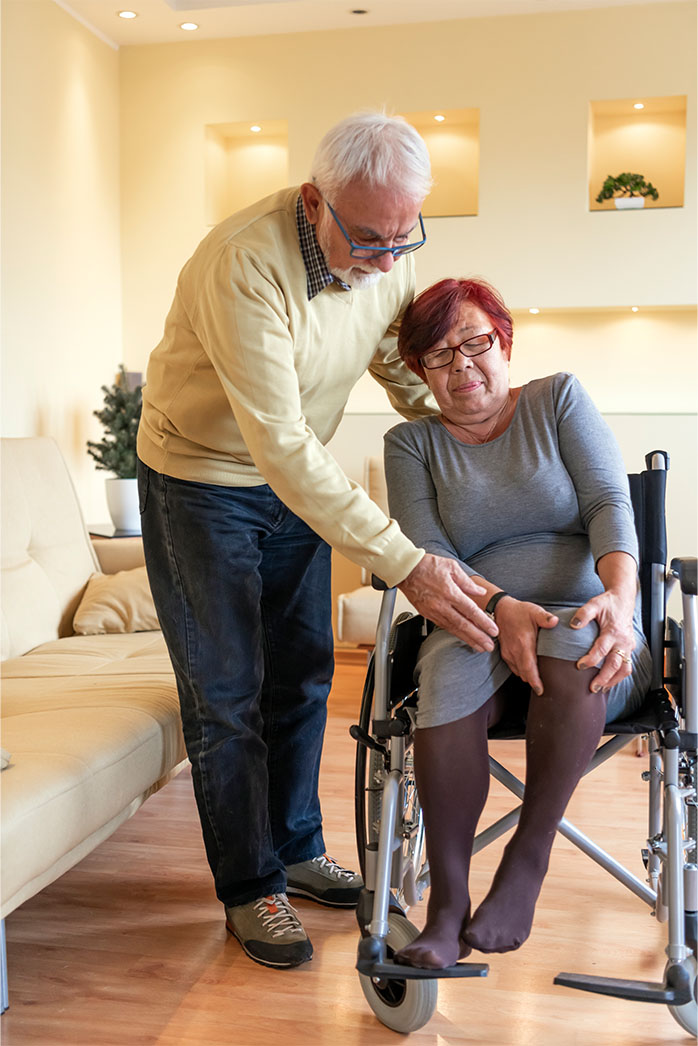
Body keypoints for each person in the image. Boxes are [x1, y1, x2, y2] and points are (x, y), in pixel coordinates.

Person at [136, 114, 499, 970]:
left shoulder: (385, 247)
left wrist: (477, 430)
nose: (387, 258)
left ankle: (297, 850)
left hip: (283, 480)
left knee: (301, 674)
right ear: (315, 202)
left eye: (404, 236)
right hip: (200, 482)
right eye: (370, 239)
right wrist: (405, 560)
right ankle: (250, 886)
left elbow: (395, 357)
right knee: (227, 695)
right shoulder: (243, 265)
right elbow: (283, 443)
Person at [383, 276, 652, 969]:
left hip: (589, 610)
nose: (461, 366)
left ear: (503, 343)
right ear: (418, 371)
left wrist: (620, 604)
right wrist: (502, 609)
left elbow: (607, 506)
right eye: (439, 356)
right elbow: (430, 553)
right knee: (445, 672)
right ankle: (445, 907)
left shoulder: (558, 398)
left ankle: (527, 858)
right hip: (476, 612)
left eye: (475, 343)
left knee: (575, 644)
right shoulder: (411, 445)